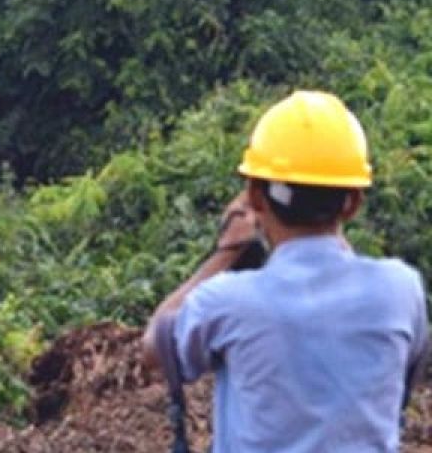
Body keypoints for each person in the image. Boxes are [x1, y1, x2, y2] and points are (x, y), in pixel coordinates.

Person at [142, 89, 428, 452]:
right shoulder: (401, 289)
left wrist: (225, 253)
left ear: (256, 197)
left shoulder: (228, 301)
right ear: (353, 203)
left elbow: (155, 345)